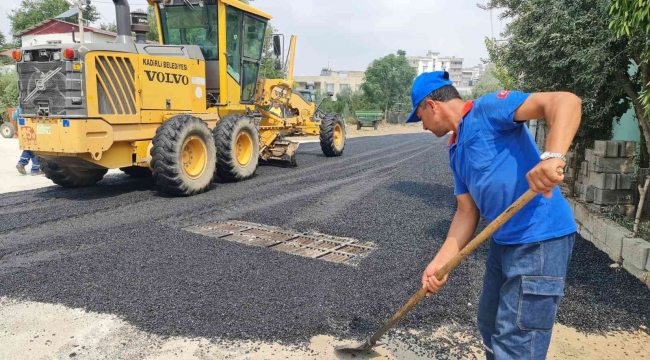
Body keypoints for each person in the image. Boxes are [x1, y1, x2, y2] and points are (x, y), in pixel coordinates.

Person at [407, 71, 581, 359]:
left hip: (538, 239)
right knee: (489, 325)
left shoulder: (488, 109)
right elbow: (466, 212)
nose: (423, 125)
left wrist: (553, 156)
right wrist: (440, 264)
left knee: (516, 342)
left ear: (431, 105)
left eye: (419, 116)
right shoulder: (455, 150)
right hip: (504, 243)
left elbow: (566, 101)